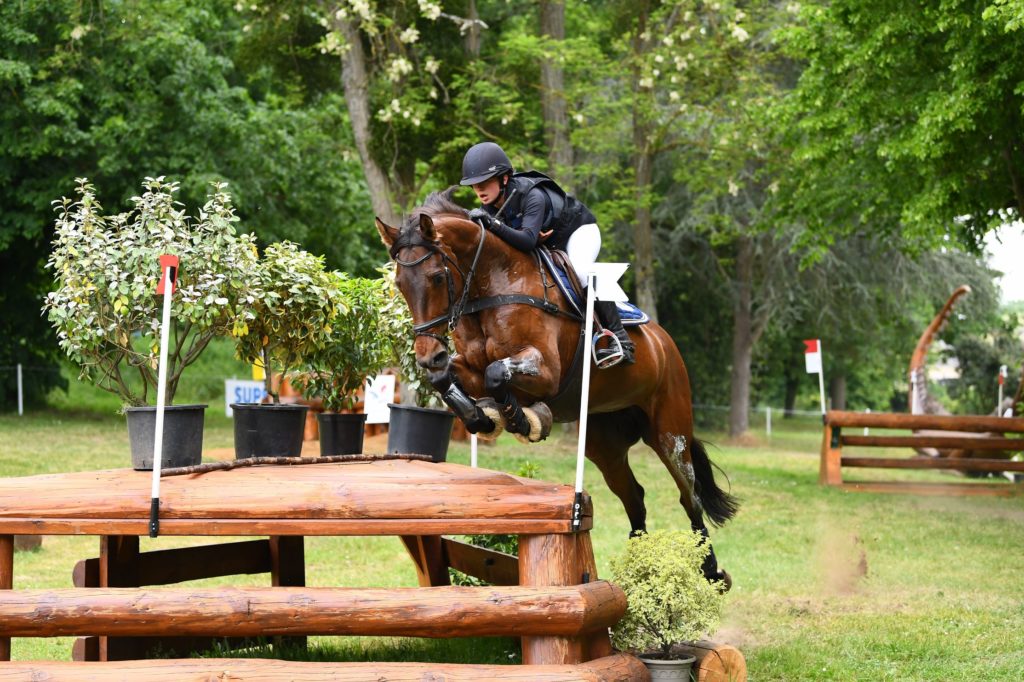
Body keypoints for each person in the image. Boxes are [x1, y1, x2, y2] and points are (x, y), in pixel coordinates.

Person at [459, 141, 634, 366]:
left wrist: (494, 225)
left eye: (484, 182)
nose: (479, 190)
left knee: (580, 270)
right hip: (549, 243)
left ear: (504, 178)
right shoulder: (490, 208)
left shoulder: (532, 195)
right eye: (474, 185)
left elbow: (527, 240)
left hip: (577, 231)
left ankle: (621, 339)